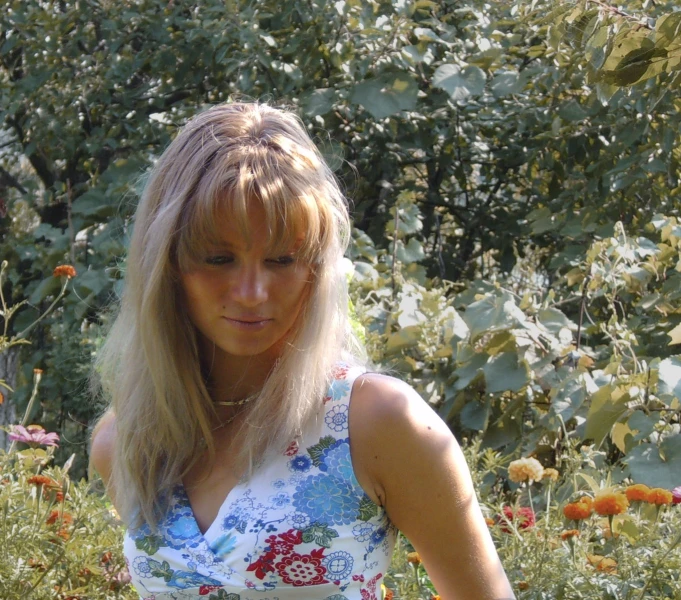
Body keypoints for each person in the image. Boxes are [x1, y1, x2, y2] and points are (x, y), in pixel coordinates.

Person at [90, 102, 515, 600]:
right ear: (165, 264)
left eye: (282, 259)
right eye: (219, 258)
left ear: (318, 267)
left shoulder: (374, 423)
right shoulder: (128, 440)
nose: (251, 291)